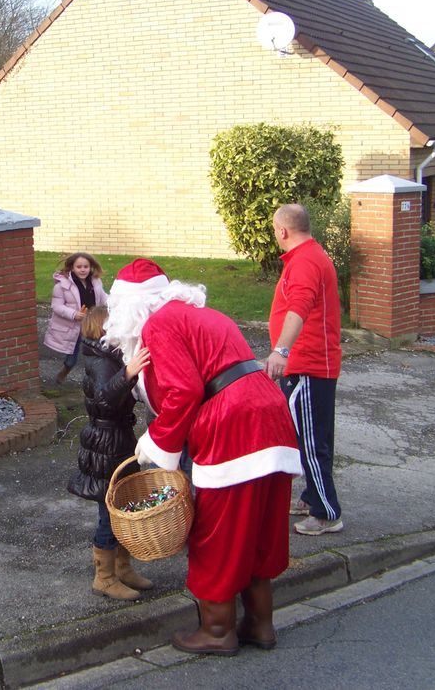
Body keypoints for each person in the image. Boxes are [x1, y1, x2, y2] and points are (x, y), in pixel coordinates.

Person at [104, 259, 302, 656]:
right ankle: (260, 624)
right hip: (270, 413)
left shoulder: (158, 325)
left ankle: (216, 630)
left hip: (233, 426)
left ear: (130, 307)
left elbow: (185, 391)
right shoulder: (203, 314)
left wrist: (156, 440)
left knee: (219, 533)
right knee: (260, 528)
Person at [265, 203, 344, 536]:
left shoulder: (305, 262)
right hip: (311, 364)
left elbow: (299, 307)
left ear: (282, 231)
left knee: (312, 443)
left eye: (275, 230)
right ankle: (312, 497)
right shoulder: (308, 256)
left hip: (308, 366)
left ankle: (327, 513)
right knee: (309, 437)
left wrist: (281, 350)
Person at [67, 305, 153, 601]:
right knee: (110, 510)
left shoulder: (108, 355)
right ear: (102, 329)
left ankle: (123, 567)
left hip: (117, 438)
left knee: (124, 504)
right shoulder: (101, 360)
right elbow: (104, 398)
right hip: (106, 442)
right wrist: (128, 372)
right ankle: (104, 577)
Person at [42, 252, 107, 384]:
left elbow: (103, 298)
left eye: (86, 266)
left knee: (100, 350)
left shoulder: (95, 282)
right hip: (75, 325)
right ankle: (66, 369)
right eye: (79, 267)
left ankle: (99, 377)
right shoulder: (62, 286)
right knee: (73, 355)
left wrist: (114, 302)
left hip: (93, 322)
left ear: (91, 267)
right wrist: (73, 314)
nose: (83, 270)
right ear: (72, 268)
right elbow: (57, 306)